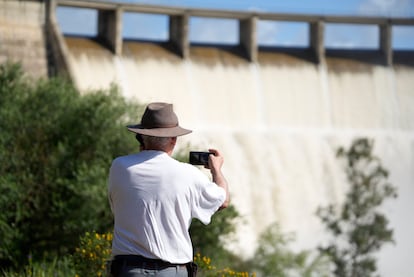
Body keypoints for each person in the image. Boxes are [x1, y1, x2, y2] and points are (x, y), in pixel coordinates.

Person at [108, 102, 230, 277]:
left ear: (142, 137)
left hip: (129, 270)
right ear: (173, 139)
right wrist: (216, 169)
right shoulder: (188, 174)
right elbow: (223, 200)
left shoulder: (119, 167)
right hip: (173, 271)